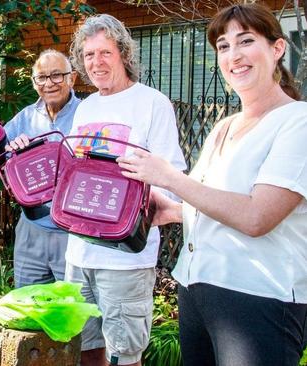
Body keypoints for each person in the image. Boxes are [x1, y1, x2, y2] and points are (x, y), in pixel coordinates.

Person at [117, 4, 307, 366]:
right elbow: (214, 204)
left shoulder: (297, 122)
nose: (233, 55)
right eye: (223, 46)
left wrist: (170, 177)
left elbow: (256, 216)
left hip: (259, 299)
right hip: (196, 290)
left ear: (277, 48)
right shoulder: (224, 126)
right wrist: (171, 209)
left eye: (246, 41)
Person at [65, 14, 187, 366]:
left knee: (124, 356)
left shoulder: (152, 103)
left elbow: (173, 176)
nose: (96, 63)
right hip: (78, 253)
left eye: (104, 53)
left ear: (123, 53)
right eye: (88, 55)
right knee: (84, 351)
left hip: (125, 258)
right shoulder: (85, 107)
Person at [3, 49, 81, 288]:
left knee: (73, 312)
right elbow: (0, 154)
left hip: (72, 233)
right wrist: (11, 151)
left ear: (72, 78)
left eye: (57, 75)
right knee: (28, 308)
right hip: (31, 228)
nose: (49, 84)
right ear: (34, 82)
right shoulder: (25, 117)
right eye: (42, 77)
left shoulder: (87, 114)